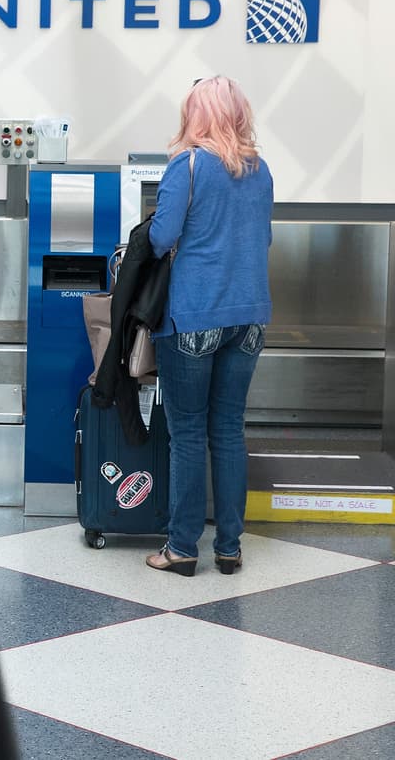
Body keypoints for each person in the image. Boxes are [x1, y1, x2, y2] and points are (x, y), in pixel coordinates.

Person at [145, 76, 273, 577]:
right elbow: (262, 239)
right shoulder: (260, 169)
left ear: (194, 115)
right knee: (228, 430)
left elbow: (161, 238)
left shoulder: (189, 165)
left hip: (195, 315)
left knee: (187, 434)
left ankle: (181, 547)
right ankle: (229, 548)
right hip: (249, 317)